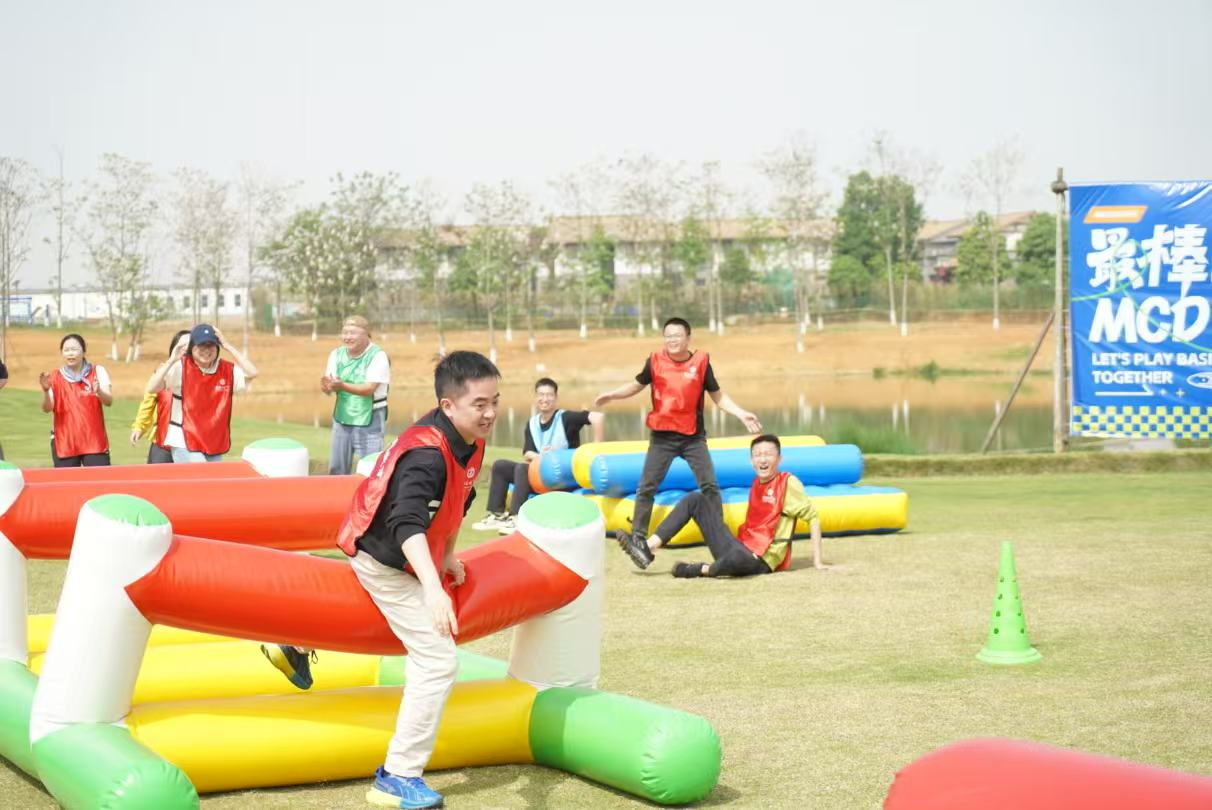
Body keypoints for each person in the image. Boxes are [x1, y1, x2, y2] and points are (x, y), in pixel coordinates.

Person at [267, 351, 499, 810]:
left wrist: (447, 556)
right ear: (448, 405)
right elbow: (406, 523)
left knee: (380, 626)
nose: (490, 412)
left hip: (404, 554)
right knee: (438, 661)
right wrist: (432, 588)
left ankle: (292, 641)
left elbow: (459, 500)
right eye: (480, 404)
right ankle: (398, 775)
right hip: (382, 558)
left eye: (495, 401)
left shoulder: (470, 438)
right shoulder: (426, 455)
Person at [594, 317, 762, 547]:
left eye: (677, 335)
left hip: (693, 437)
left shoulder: (701, 362)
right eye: (668, 336)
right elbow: (636, 385)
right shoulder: (655, 361)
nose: (672, 340)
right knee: (646, 487)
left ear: (688, 338)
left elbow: (718, 396)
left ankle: (719, 537)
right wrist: (612, 395)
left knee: (709, 485)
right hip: (662, 437)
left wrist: (741, 413)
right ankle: (638, 538)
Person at [617, 434, 826, 578]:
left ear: (779, 459)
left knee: (736, 558)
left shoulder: (787, 483)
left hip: (760, 560)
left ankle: (702, 569)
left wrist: (818, 563)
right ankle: (648, 548)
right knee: (694, 499)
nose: (763, 459)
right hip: (739, 547)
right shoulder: (757, 483)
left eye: (768, 454)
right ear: (751, 460)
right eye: (757, 455)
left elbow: (813, 517)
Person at [472, 377, 605, 534]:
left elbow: (598, 417)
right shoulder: (532, 423)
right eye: (541, 395)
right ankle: (496, 515)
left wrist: (595, 448)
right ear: (536, 398)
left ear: (555, 398)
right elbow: (527, 453)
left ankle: (516, 518)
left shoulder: (566, 418)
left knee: (522, 469)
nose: (545, 399)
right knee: (500, 466)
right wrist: (542, 457)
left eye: (549, 395)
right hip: (541, 475)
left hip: (564, 478)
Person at [144, 323, 258, 463]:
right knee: (202, 472)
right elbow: (152, 388)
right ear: (192, 347)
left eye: (210, 345)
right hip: (183, 440)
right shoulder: (180, 367)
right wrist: (171, 360)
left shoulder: (226, 370)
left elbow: (252, 372)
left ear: (217, 347)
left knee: (213, 477)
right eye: (201, 345)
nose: (206, 350)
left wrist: (228, 346)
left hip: (212, 441)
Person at [323, 315, 391, 475]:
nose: (347, 337)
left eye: (352, 333)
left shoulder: (378, 356)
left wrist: (342, 385)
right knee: (337, 469)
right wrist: (327, 386)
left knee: (370, 469)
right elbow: (329, 387)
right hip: (342, 416)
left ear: (366, 333)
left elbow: (369, 389)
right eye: (344, 332)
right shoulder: (336, 354)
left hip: (371, 417)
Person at [39, 333, 113, 467]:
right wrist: (45, 391)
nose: (70, 353)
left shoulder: (97, 371)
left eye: (74, 349)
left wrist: (99, 391)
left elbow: (108, 401)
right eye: (66, 350)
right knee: (66, 481)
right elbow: (47, 408)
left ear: (84, 351)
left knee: (100, 480)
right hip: (65, 442)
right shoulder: (54, 376)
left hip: (94, 441)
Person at [129, 330, 190, 464]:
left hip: (191, 445)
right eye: (182, 345)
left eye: (190, 345)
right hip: (162, 442)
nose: (186, 348)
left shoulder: (204, 374)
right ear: (173, 348)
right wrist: (139, 427)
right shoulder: (162, 374)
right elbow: (148, 403)